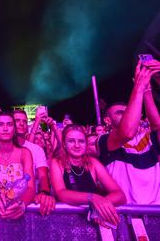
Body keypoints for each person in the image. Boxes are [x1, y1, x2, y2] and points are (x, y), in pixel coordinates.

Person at [98, 59, 160, 204]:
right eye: (120, 113)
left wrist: (147, 90)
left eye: (129, 111)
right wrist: (139, 86)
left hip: (156, 215)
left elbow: (157, 125)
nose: (127, 114)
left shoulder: (149, 139)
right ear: (107, 120)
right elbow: (126, 133)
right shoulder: (103, 140)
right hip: (126, 215)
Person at [50, 124, 126, 227]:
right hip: (65, 222)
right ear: (64, 144)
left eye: (81, 141)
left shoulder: (93, 163)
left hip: (91, 224)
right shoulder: (57, 163)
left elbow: (120, 195)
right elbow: (61, 193)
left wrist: (100, 206)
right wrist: (92, 198)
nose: (77, 145)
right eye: (71, 141)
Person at [13, 109, 55, 215]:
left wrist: (44, 192)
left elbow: (43, 176)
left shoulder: (36, 149)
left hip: (31, 203)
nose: (21, 124)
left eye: (24, 121)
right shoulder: (1, 149)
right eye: (17, 120)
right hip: (6, 203)